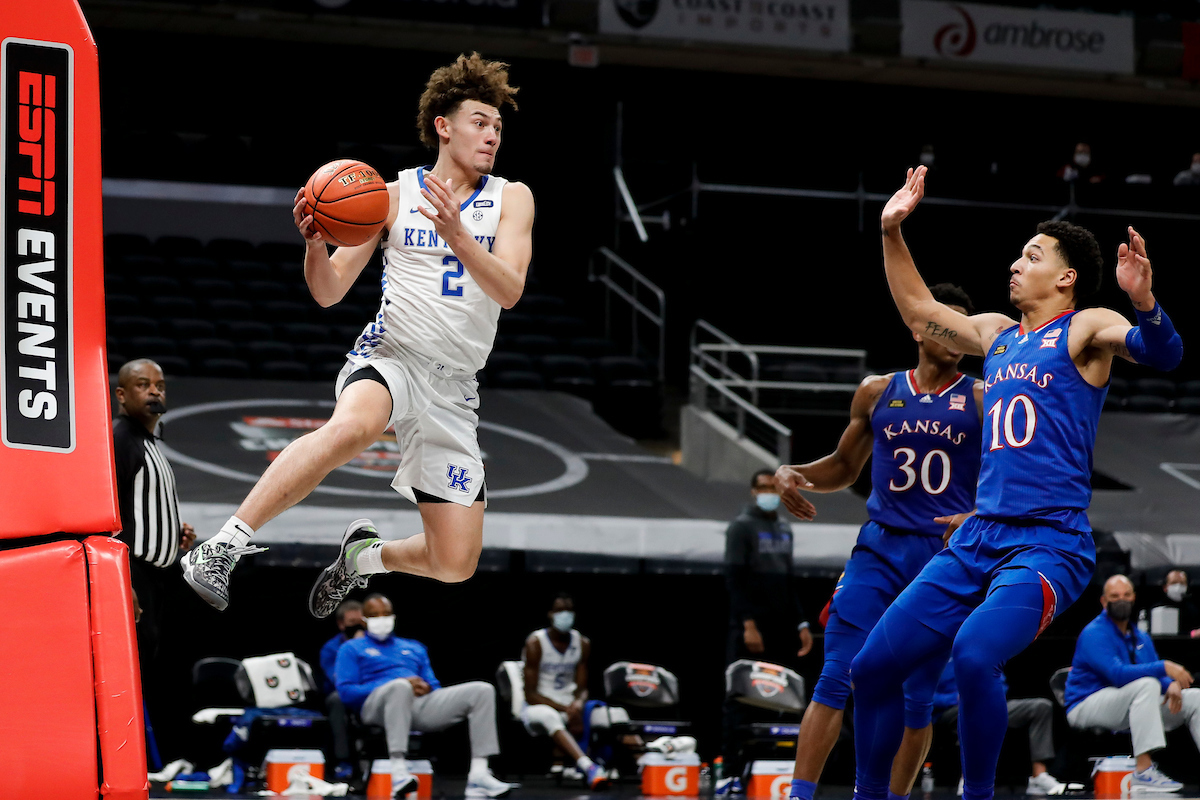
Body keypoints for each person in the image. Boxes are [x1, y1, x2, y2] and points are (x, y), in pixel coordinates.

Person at [846, 165, 1183, 800]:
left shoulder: (1084, 329)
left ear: (1066, 278)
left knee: (974, 655)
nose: (1015, 264)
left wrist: (1144, 302)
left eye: (1031, 256)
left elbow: (1164, 355)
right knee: (870, 669)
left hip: (1049, 543)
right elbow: (920, 314)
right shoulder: (997, 335)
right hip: (979, 536)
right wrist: (892, 231)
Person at [182, 53, 536, 617]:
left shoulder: (512, 198)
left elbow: (510, 289)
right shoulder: (390, 196)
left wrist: (458, 234)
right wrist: (315, 245)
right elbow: (328, 292)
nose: (492, 133)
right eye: (479, 120)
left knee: (455, 563)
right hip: (395, 352)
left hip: (454, 386)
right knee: (354, 427)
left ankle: (362, 559)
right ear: (443, 126)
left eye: (497, 125)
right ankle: (222, 545)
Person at [777, 285, 984, 800]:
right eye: (944, 323)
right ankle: (799, 794)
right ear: (918, 327)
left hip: (941, 561)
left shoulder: (982, 398)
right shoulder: (877, 390)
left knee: (918, 702)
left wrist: (977, 513)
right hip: (879, 552)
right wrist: (793, 472)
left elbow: (1015, 480)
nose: (956, 335)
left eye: (964, 327)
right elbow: (844, 468)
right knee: (834, 677)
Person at [335, 593, 517, 798]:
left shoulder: (413, 647)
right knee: (400, 688)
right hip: (376, 707)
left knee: (482, 690)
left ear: (394, 616)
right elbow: (346, 692)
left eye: (386, 614)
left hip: (418, 707)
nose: (382, 619)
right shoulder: (350, 648)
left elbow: (434, 685)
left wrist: (427, 688)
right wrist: (395, 684)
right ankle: (399, 771)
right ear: (364, 619)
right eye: (375, 615)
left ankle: (479, 774)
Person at [112, 358, 196, 756]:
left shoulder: (151, 441)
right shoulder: (120, 438)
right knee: (127, 671)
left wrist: (172, 531)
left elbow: (144, 507)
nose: (155, 391)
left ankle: (140, 757)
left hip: (160, 577)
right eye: (143, 385)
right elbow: (108, 511)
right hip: (135, 576)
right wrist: (120, 581)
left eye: (160, 385)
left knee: (150, 670)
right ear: (121, 395)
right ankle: (115, 757)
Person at [1065, 575, 1199, 792]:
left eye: (1126, 595)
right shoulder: (1094, 633)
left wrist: (1169, 684)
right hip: (1085, 704)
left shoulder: (1140, 636)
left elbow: (1154, 672)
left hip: (1129, 703)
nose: (1121, 600)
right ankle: (1144, 771)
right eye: (1114, 596)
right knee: (1146, 684)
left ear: (1134, 598)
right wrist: (1164, 667)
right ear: (1103, 601)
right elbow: (1117, 675)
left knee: (1194, 698)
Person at [721, 469, 813, 788]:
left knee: (780, 697)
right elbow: (734, 580)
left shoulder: (784, 528)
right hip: (750, 627)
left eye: (772, 486)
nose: (767, 492)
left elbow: (788, 582)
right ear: (752, 491)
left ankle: (774, 770)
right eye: (761, 487)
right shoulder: (741, 527)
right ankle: (732, 772)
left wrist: (801, 623)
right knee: (741, 698)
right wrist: (748, 624)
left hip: (781, 626)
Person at [932, 659, 1064, 795]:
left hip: (989, 703)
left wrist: (987, 695)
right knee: (974, 711)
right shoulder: (938, 655)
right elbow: (923, 694)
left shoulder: (981, 651)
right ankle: (969, 778)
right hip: (951, 710)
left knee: (1041, 707)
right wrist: (955, 699)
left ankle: (1038, 777)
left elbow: (1001, 684)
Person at [520, 593, 607, 789]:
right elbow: (530, 695)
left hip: (570, 706)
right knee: (552, 716)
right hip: (538, 707)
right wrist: (566, 708)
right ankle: (589, 767)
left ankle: (645, 764)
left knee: (608, 715)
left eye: (569, 611)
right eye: (560, 611)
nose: (565, 616)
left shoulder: (582, 643)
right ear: (550, 614)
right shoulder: (536, 643)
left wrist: (577, 703)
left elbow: (582, 688)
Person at [320, 599, 365, 781]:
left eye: (362, 623)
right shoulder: (331, 649)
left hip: (368, 692)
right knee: (337, 700)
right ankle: (342, 761)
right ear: (341, 624)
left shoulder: (374, 644)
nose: (358, 627)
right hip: (341, 695)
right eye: (352, 623)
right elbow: (339, 680)